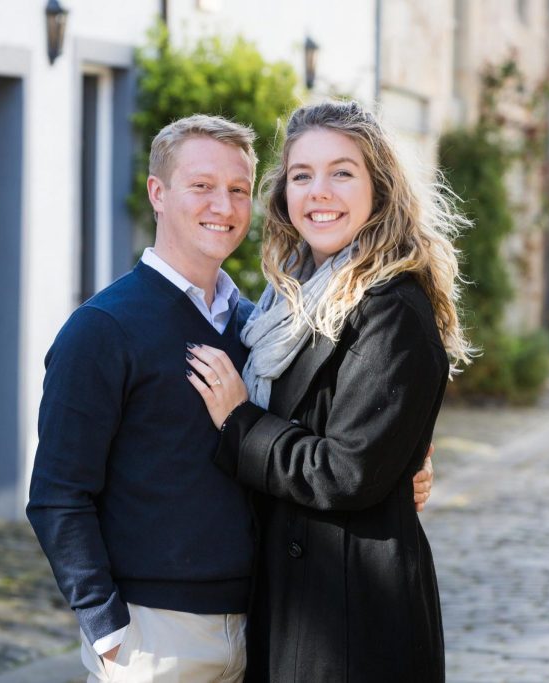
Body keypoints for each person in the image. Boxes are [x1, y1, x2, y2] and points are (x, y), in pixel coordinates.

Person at [27, 113, 434, 682]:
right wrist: (107, 625)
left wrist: (399, 462)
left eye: (238, 190)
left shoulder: (261, 327)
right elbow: (57, 495)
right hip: (156, 636)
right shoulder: (102, 330)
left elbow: (335, 435)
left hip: (267, 623)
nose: (222, 205)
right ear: (158, 193)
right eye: (202, 186)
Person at [186, 100, 471, 682]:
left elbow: (345, 471)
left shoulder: (389, 306)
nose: (320, 192)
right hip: (295, 599)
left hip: (353, 618)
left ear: (379, 188)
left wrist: (238, 422)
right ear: (284, 194)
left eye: (342, 172)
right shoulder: (283, 303)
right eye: (302, 175)